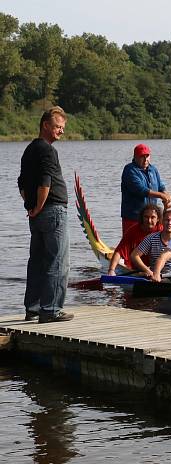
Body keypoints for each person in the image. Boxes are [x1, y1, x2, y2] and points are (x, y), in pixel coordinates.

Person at [18, 106, 73, 323]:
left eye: (62, 127)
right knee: (57, 262)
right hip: (52, 212)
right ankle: (50, 310)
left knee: (38, 261)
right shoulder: (48, 150)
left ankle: (32, 308)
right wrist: (39, 206)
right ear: (45, 125)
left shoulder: (29, 149)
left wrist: (31, 207)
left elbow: (21, 183)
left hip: (37, 214)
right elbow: (45, 182)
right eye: (58, 126)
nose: (61, 131)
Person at [120, 143, 171, 233]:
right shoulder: (129, 170)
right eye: (142, 156)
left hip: (152, 216)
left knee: (153, 240)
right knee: (131, 242)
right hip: (133, 216)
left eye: (147, 156)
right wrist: (161, 196)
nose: (145, 159)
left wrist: (166, 195)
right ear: (135, 157)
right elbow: (140, 190)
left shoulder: (153, 169)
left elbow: (160, 185)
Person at [107, 205, 162, 275]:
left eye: (153, 217)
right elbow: (119, 251)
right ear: (142, 218)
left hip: (157, 269)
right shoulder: (133, 231)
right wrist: (111, 270)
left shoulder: (161, 230)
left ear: (158, 219)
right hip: (137, 270)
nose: (149, 220)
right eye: (146, 217)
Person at [130, 208, 171, 278]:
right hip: (155, 277)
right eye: (167, 220)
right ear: (162, 221)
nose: (169, 223)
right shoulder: (151, 238)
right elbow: (134, 256)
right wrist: (147, 270)